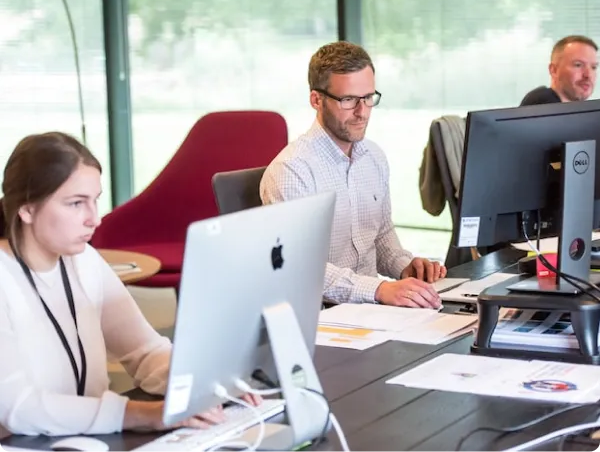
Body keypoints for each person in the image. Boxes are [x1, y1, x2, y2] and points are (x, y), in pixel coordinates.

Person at [0, 132, 259, 436]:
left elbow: (145, 351)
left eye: (94, 201)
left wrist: (212, 384)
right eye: (75, 204)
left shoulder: (85, 261)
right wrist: (143, 414)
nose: (93, 219)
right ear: (27, 209)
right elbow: (18, 407)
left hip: (88, 439)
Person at [260, 41, 445, 309]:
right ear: (316, 100)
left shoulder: (374, 157)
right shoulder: (292, 171)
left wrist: (406, 267)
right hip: (323, 316)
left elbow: (380, 235)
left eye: (368, 98)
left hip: (372, 310)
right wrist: (379, 289)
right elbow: (299, 266)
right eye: (348, 100)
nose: (362, 112)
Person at [520, 35, 598, 106]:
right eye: (578, 65)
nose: (588, 75)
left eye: (593, 67)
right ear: (554, 70)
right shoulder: (542, 103)